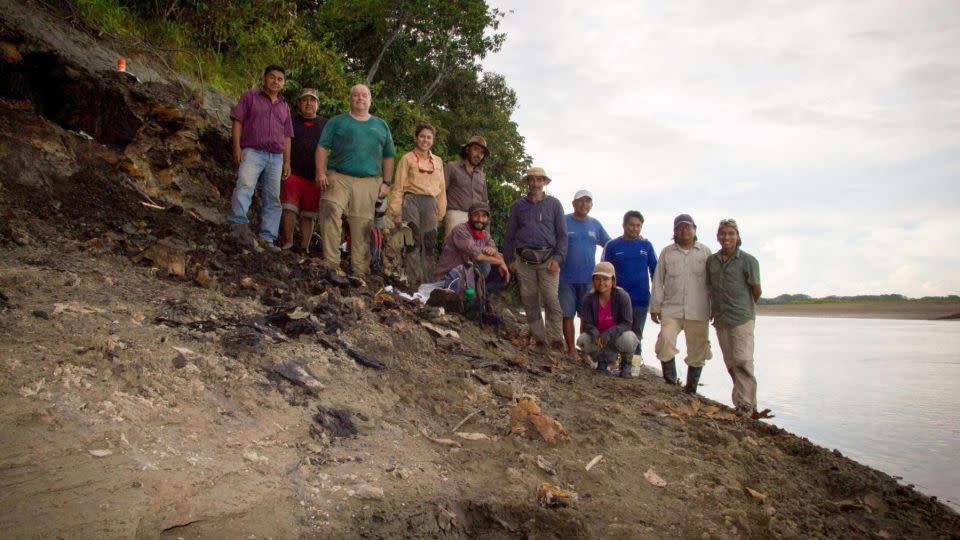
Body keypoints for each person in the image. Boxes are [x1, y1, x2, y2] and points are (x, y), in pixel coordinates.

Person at [315, 84, 396, 276]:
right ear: (350, 99)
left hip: (369, 181)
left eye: (364, 95)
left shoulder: (381, 125)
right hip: (339, 175)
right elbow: (322, 147)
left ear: (370, 100)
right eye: (356, 95)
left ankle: (359, 272)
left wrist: (386, 182)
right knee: (330, 208)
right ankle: (331, 263)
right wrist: (320, 172)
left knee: (362, 225)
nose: (360, 98)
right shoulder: (337, 122)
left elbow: (389, 156)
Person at [228, 65, 293, 252]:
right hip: (253, 151)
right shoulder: (250, 97)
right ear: (264, 78)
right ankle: (237, 223)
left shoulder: (284, 106)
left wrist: (287, 161)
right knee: (245, 186)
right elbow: (237, 121)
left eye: (280, 79)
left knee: (273, 197)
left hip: (276, 156)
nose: (275, 81)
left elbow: (287, 135)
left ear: (284, 83)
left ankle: (267, 237)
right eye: (272, 77)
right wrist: (237, 148)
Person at [503, 167, 567, 351]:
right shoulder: (518, 206)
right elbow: (510, 235)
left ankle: (555, 340)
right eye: (532, 180)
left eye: (540, 180)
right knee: (529, 300)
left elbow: (562, 235)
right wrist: (509, 260)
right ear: (528, 182)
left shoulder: (554, 204)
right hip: (524, 260)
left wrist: (559, 258)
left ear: (545, 182)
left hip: (549, 259)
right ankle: (539, 340)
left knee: (551, 299)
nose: (536, 183)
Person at [650, 214, 713, 393]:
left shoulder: (706, 252)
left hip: (699, 310)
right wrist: (655, 307)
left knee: (698, 350)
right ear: (674, 231)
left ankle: (691, 390)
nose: (684, 230)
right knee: (665, 341)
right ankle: (670, 383)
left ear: (695, 229)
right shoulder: (667, 252)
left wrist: (714, 308)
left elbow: (713, 283)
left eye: (687, 227)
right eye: (679, 227)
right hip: (671, 309)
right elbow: (658, 281)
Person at [706, 219, 762, 416]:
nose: (726, 237)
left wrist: (744, 309)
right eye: (723, 233)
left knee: (743, 361)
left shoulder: (749, 261)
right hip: (721, 318)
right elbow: (710, 288)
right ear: (718, 236)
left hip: (742, 318)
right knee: (731, 363)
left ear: (738, 236)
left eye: (731, 233)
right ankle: (741, 402)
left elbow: (756, 290)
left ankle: (747, 406)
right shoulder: (712, 261)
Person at [390, 122, 446, 285]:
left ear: (433, 140)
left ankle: (427, 284)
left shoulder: (438, 161)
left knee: (428, 244)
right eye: (422, 136)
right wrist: (396, 211)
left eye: (429, 137)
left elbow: (442, 188)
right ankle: (413, 283)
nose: (425, 140)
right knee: (412, 243)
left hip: (431, 203)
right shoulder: (407, 159)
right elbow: (398, 186)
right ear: (416, 138)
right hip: (411, 201)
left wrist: (441, 212)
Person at [602, 210, 657, 371]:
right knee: (614, 332)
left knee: (636, 335)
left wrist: (658, 297)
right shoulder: (612, 245)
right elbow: (604, 272)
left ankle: (633, 368)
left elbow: (655, 271)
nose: (635, 229)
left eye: (638, 226)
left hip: (641, 299)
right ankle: (612, 364)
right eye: (631, 225)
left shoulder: (646, 246)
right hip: (616, 299)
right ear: (624, 225)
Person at [559, 190, 611, 356]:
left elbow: (609, 245)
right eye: (580, 201)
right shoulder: (563, 221)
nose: (584, 204)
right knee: (567, 315)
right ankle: (571, 350)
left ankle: (583, 350)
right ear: (573, 203)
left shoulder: (595, 224)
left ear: (591, 205)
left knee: (586, 317)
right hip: (565, 278)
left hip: (589, 280)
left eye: (588, 201)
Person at [278, 88, 327, 252]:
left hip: (315, 177)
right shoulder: (291, 120)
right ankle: (288, 242)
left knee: (309, 214)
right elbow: (286, 141)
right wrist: (286, 163)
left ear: (317, 104)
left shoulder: (325, 124)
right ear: (299, 103)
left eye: (312, 100)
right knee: (289, 208)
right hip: (293, 172)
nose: (308, 103)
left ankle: (304, 247)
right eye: (305, 100)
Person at [577, 262, 640, 376]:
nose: (601, 283)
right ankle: (601, 362)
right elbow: (586, 323)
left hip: (616, 336)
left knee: (629, 338)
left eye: (605, 279)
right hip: (599, 338)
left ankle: (625, 365)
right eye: (597, 279)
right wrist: (595, 332)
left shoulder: (622, 296)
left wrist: (610, 333)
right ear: (593, 280)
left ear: (613, 281)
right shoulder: (588, 298)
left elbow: (627, 323)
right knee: (583, 340)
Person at [434, 203, 509, 283]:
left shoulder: (485, 235)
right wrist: (501, 262)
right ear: (469, 216)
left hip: (465, 274)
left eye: (484, 216)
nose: (480, 219)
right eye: (476, 215)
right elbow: (478, 256)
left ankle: (482, 292)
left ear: (487, 219)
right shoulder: (460, 230)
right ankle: (469, 292)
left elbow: (496, 253)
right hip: (448, 277)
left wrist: (494, 252)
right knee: (485, 265)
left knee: (502, 268)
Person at [443, 136, 489, 238]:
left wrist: (486, 228)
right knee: (452, 250)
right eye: (476, 149)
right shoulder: (451, 167)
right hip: (455, 214)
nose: (478, 155)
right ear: (468, 149)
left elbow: (484, 203)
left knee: (475, 252)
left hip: (476, 219)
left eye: (482, 152)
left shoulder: (481, 176)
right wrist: (438, 215)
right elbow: (441, 192)